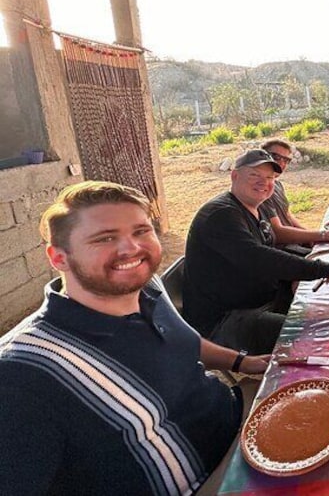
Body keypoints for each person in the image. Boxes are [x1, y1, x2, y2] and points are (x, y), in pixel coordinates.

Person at [0, 181, 270, 495]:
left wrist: (243, 361)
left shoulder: (147, 287)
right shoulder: (21, 372)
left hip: (239, 417)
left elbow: (184, 342)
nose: (131, 248)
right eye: (105, 238)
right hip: (212, 482)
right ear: (58, 258)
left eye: (141, 231)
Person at [182, 149, 329, 354]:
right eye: (254, 175)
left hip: (261, 296)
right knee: (313, 335)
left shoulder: (253, 207)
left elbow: (270, 253)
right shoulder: (221, 215)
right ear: (234, 176)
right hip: (225, 319)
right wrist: (328, 269)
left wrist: (301, 272)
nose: (264, 182)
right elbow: (260, 258)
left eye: (270, 177)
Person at [260, 139, 329, 256]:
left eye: (286, 159)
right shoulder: (260, 190)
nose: (281, 162)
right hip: (283, 251)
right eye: (275, 157)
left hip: (295, 243)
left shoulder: (277, 184)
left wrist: (311, 236)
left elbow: (288, 216)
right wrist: (323, 235)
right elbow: (277, 233)